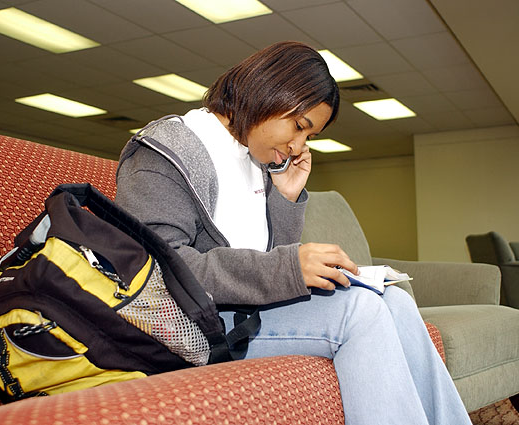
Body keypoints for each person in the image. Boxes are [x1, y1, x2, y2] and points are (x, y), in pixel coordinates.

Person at [115, 41, 471, 425]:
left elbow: (261, 262)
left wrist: (283, 197)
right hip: (186, 324)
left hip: (239, 310)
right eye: (299, 126)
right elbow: (155, 270)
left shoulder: (253, 155)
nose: (298, 145)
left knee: (396, 302)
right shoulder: (164, 150)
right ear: (265, 92)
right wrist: (287, 266)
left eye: (309, 136)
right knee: (359, 311)